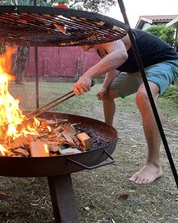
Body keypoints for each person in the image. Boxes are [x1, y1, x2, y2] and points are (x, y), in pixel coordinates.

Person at [73, 29, 178, 185]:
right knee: (107, 95)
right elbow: (115, 63)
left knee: (144, 97)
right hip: (135, 71)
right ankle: (108, 135)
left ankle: (154, 165)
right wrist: (104, 87)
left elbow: (120, 54)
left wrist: (87, 75)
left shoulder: (106, 32)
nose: (76, 43)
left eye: (77, 37)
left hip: (162, 63)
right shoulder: (99, 47)